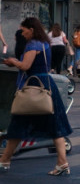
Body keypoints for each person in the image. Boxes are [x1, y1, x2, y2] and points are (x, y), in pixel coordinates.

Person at [0, 17, 73, 175]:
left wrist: (13, 62)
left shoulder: (33, 44)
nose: (22, 33)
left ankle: (4, 160)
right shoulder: (44, 43)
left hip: (33, 86)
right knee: (55, 127)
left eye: (24, 30)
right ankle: (62, 162)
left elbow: (26, 66)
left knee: (18, 124)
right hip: (47, 86)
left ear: (31, 29)